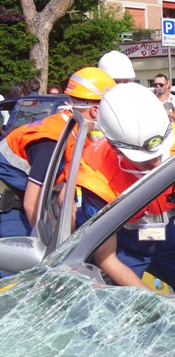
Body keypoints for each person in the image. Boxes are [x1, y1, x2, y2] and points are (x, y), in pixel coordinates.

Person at [74, 83, 175, 294]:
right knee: (123, 305)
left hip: (164, 236)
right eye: (145, 159)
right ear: (116, 148)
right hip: (123, 248)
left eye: (159, 153)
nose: (156, 162)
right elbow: (107, 258)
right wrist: (152, 301)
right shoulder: (95, 177)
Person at [0, 67, 115, 240]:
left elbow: (64, 191)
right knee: (32, 254)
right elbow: (32, 203)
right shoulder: (52, 140)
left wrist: (71, 231)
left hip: (25, 203)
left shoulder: (76, 132)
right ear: (95, 110)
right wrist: (49, 247)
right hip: (10, 209)